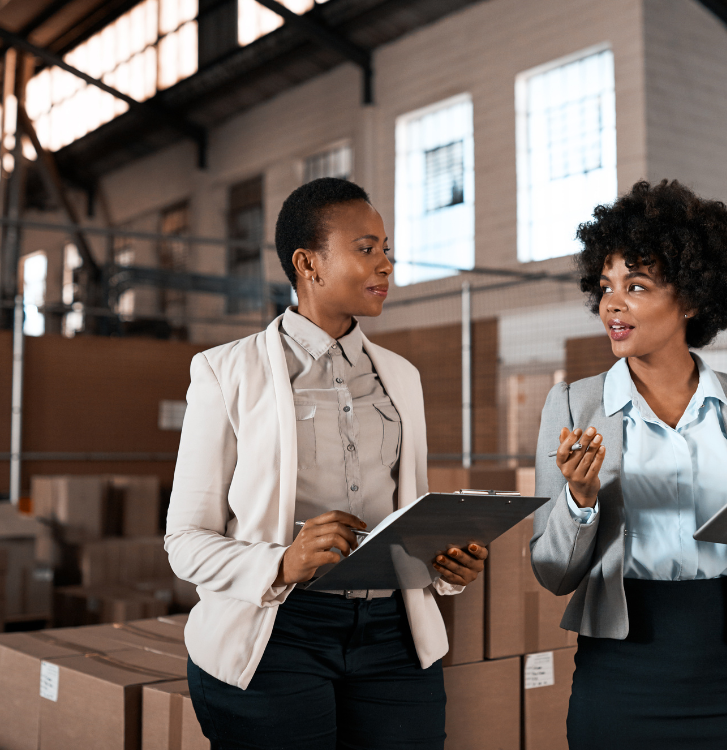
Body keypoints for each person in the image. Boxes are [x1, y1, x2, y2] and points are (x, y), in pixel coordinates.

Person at [165, 178, 488, 750]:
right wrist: (283, 562)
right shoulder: (225, 372)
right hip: (278, 636)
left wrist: (443, 565)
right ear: (308, 263)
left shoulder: (402, 377)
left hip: (393, 636)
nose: (386, 264)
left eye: (386, 248)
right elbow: (185, 541)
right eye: (367, 249)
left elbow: (405, 511)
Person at [531, 179, 727, 749]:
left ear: (693, 298)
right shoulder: (572, 406)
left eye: (637, 286)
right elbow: (552, 573)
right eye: (605, 287)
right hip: (621, 672)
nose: (612, 304)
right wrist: (580, 501)